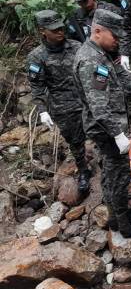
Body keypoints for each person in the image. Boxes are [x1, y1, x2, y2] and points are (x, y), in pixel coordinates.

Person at [73, 8, 131, 237]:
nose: (117, 41)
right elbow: (99, 106)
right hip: (106, 129)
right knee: (119, 175)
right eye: (115, 37)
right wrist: (117, 134)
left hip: (106, 126)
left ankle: (115, 218)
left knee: (110, 173)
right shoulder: (91, 60)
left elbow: (124, 85)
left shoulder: (101, 53)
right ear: (98, 31)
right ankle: (126, 225)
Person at [27, 10, 91, 196]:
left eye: (61, 28)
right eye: (54, 30)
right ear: (43, 31)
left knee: (101, 132)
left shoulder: (77, 46)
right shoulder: (36, 57)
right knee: (75, 141)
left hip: (87, 99)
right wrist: (42, 111)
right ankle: (83, 170)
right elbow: (37, 87)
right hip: (63, 105)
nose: (60, 32)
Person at [67, 0, 131, 122]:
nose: (83, 4)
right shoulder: (76, 17)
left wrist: (124, 53)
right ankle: (121, 125)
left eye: (85, 0)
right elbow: (73, 40)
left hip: (115, 57)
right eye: (80, 2)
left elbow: (126, 31)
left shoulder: (109, 9)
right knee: (103, 94)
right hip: (95, 60)